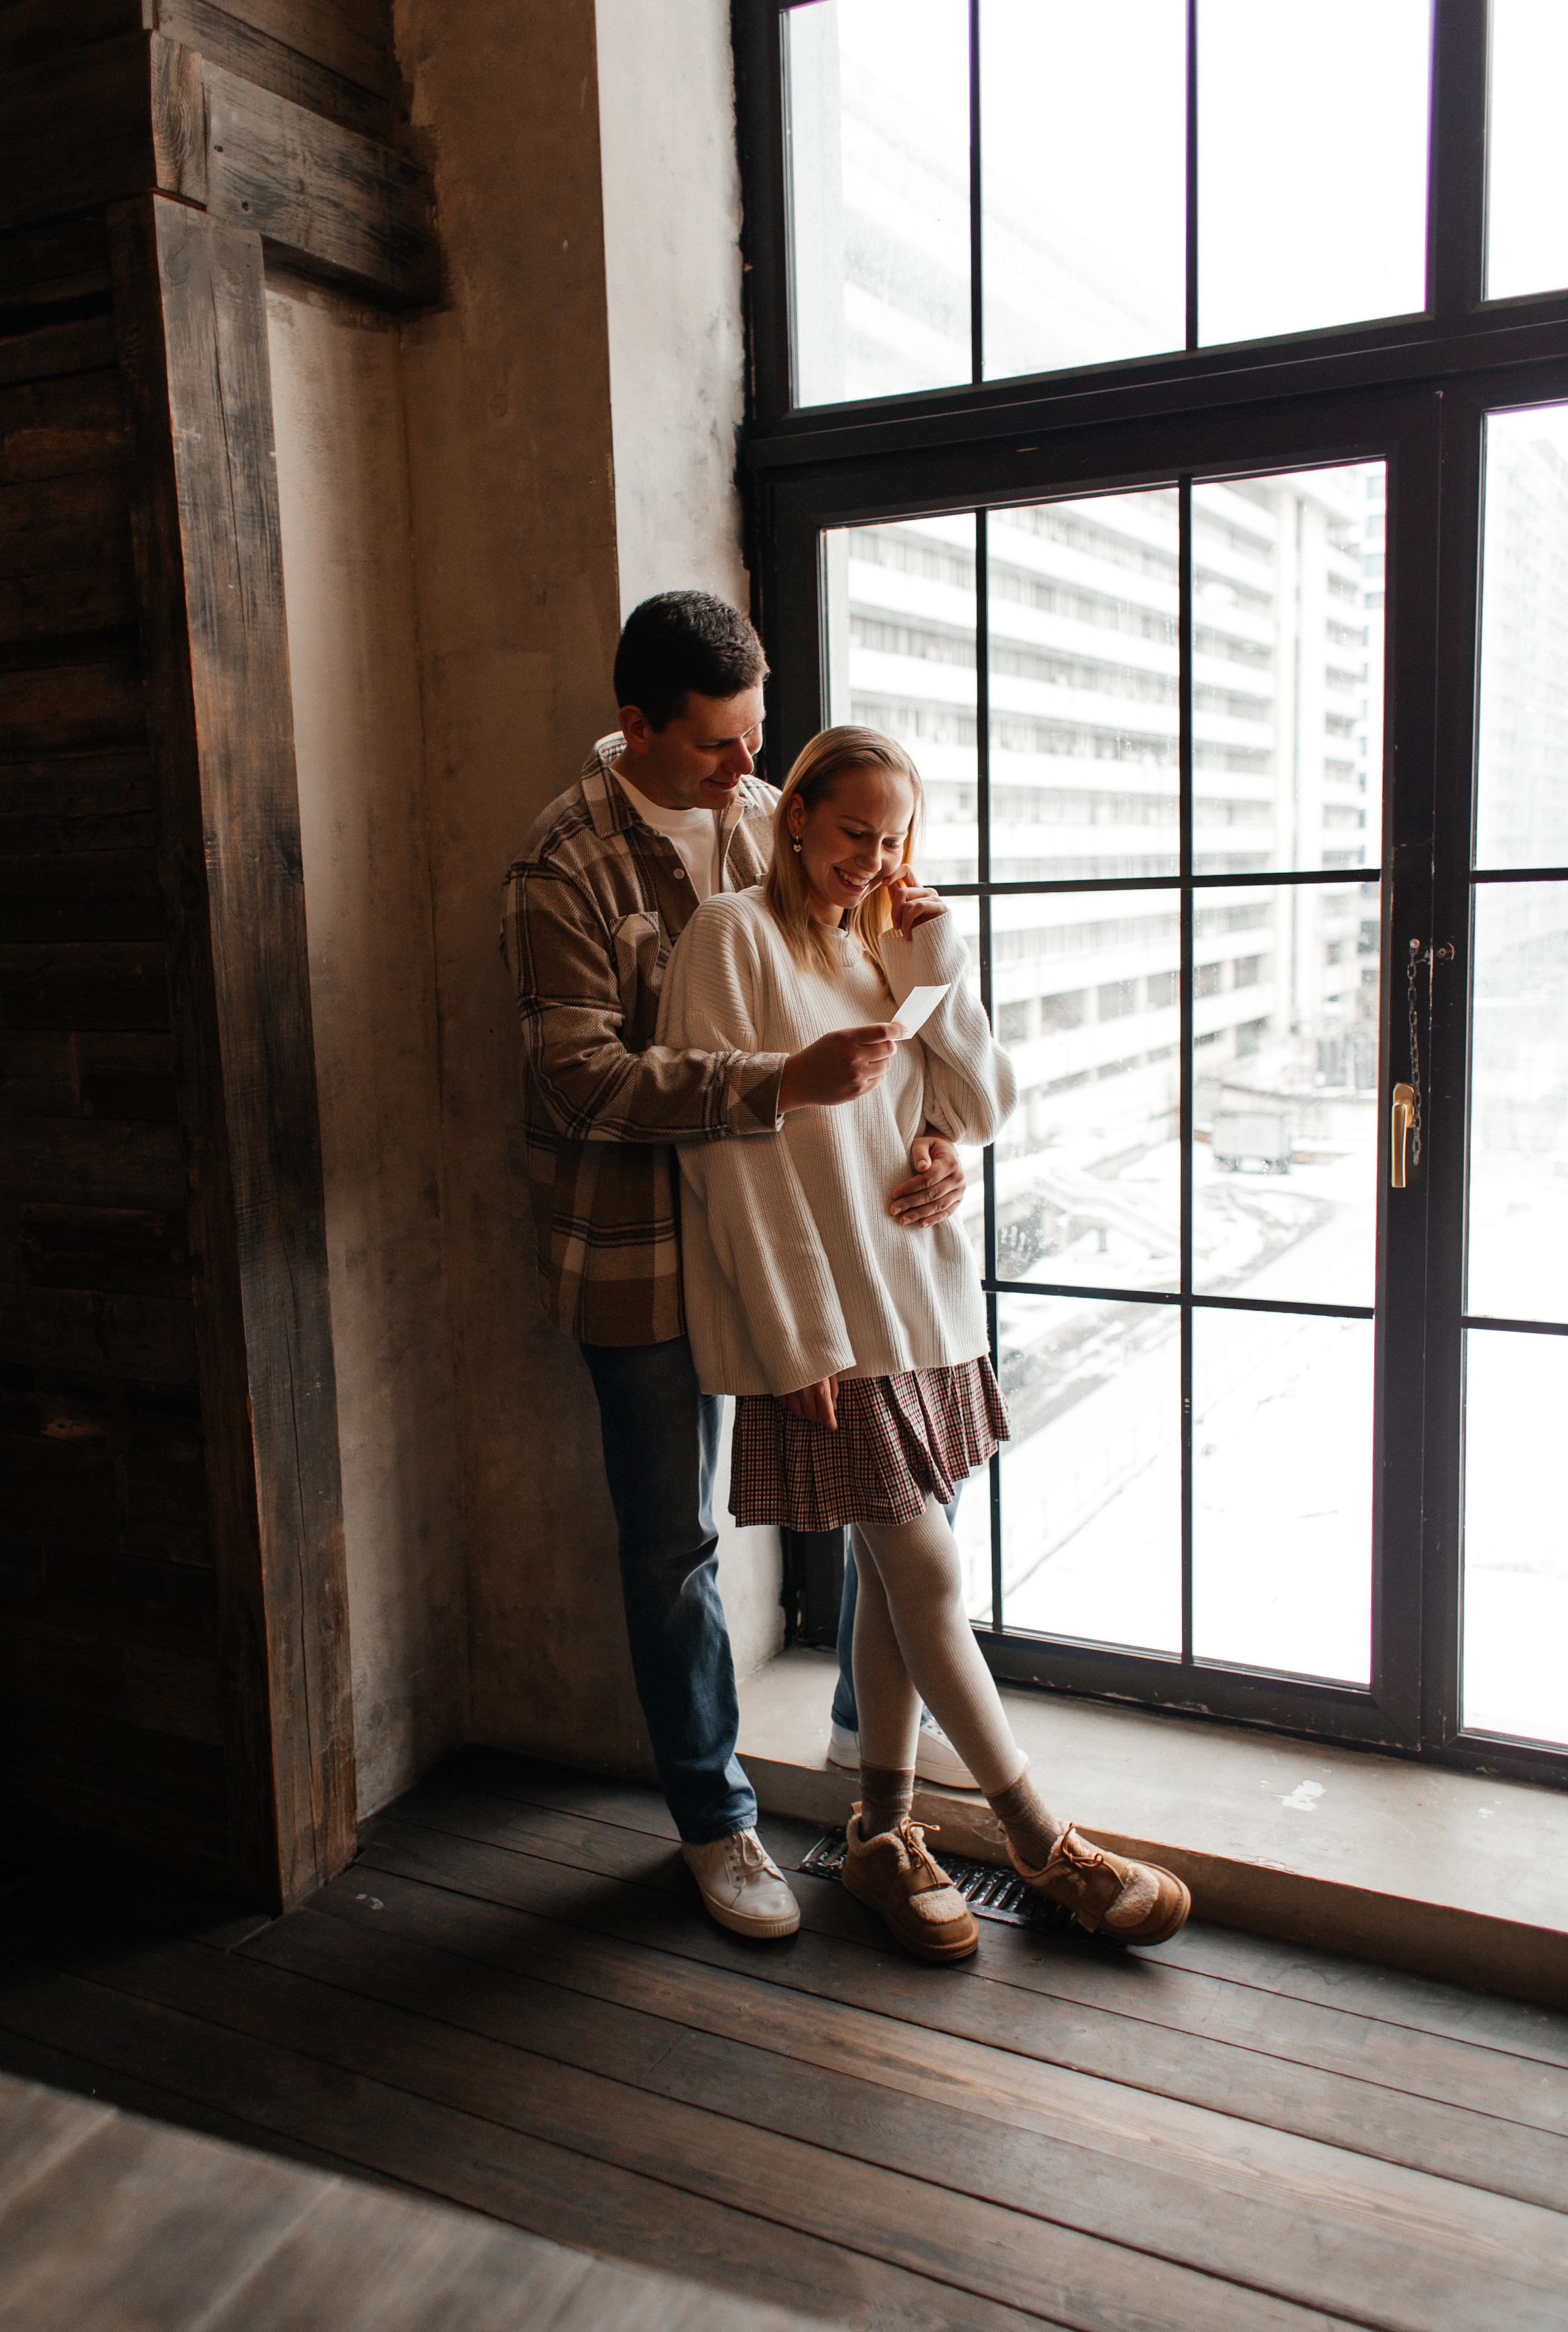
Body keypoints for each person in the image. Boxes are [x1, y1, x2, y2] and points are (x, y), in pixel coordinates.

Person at [658, 725, 1192, 1961]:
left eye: (894, 835)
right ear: (794, 815)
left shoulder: (882, 942)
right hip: (830, 1323)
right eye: (854, 829)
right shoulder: (731, 937)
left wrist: (939, 1002)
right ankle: (1038, 1838)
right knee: (930, 1573)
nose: (874, 855)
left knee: (900, 1582)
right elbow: (721, 1152)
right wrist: (794, 1346)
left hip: (920, 1303)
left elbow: (980, 1101)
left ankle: (882, 1836)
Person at [502, 594, 970, 1943]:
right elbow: (572, 1078)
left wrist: (938, 1137)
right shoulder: (561, 862)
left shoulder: (789, 812)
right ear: (636, 724)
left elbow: (883, 1006)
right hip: (642, 1252)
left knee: (887, 1485)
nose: (744, 770)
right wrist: (775, 1080)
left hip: (819, 1232)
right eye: (716, 745)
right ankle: (715, 1823)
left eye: (756, 733)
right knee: (673, 1543)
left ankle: (877, 1782)